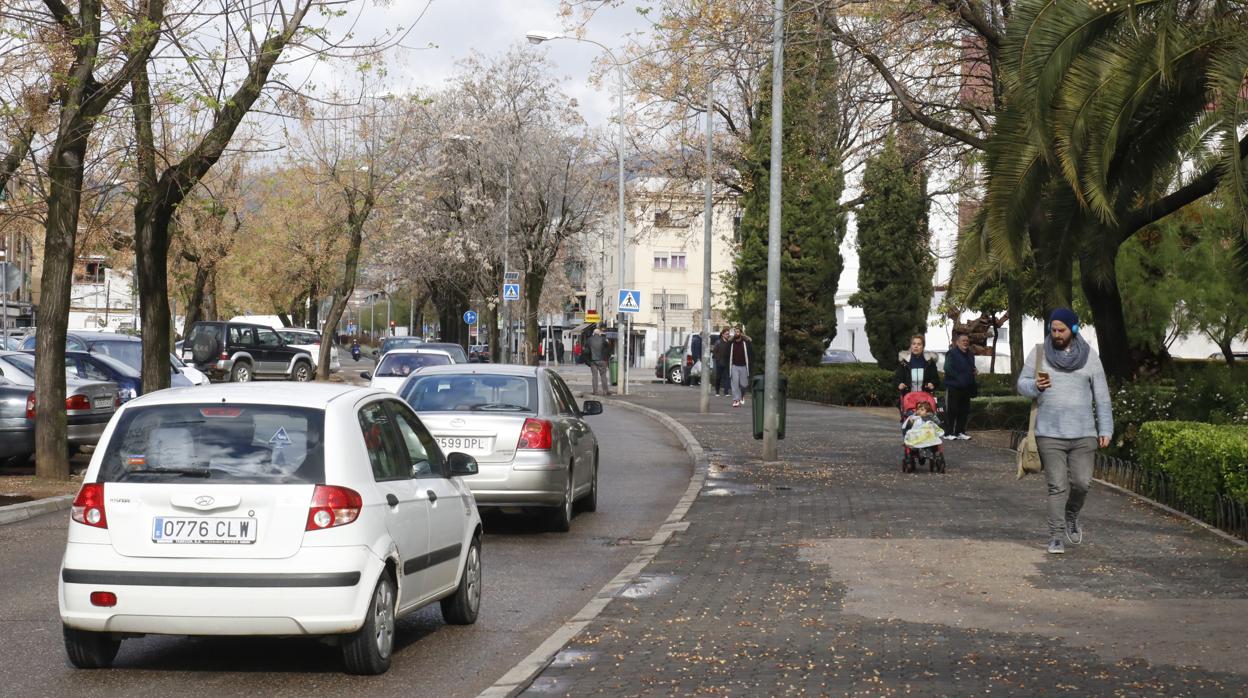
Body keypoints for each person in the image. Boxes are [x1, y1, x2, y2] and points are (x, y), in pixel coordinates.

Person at [1017, 308, 1113, 555]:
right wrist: (1035, 386)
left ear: (1074, 329)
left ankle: (1072, 514)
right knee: (1057, 486)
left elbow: (1102, 397)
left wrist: (1106, 428)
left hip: (1084, 434)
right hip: (1049, 434)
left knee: (1082, 483)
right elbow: (1021, 384)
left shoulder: (1090, 357)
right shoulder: (1039, 353)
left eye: (1061, 330)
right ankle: (1056, 536)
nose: (1056, 334)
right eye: (1053, 329)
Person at [942, 331, 978, 440]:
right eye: (963, 341)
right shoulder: (951, 353)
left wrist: (975, 370)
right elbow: (947, 368)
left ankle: (960, 431)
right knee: (952, 410)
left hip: (966, 387)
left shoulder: (970, 355)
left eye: (967, 341)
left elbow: (972, 368)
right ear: (957, 342)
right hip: (954, 386)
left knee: (964, 410)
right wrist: (959, 378)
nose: (965, 342)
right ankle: (948, 433)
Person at [894, 334, 939, 413]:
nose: (916, 346)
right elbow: (897, 379)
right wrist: (899, 384)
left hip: (925, 400)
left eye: (919, 344)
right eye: (913, 344)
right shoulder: (904, 363)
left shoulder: (930, 363)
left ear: (923, 347)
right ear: (911, 346)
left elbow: (936, 379)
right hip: (909, 399)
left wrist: (932, 384)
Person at [727, 325, 752, 408]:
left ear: (741, 333)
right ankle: (736, 400)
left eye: (738, 332)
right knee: (735, 383)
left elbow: (750, 343)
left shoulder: (745, 343)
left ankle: (742, 395)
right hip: (734, 366)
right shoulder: (732, 343)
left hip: (744, 366)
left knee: (744, 384)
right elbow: (727, 345)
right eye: (735, 332)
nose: (736, 333)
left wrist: (745, 336)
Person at [587, 327, 612, 396]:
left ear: (593, 333)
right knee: (603, 376)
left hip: (593, 361)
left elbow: (586, 350)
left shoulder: (589, 340)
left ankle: (595, 392)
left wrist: (588, 361)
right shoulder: (603, 340)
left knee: (594, 376)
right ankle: (605, 391)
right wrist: (607, 358)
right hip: (602, 360)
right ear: (599, 333)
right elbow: (608, 349)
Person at [712, 328, 732, 397]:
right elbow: (714, 352)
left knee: (727, 377)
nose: (728, 335)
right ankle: (717, 391)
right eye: (726, 334)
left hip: (727, 363)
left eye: (728, 334)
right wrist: (718, 359)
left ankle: (726, 392)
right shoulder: (718, 342)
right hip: (719, 363)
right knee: (718, 377)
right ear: (723, 334)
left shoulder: (729, 343)